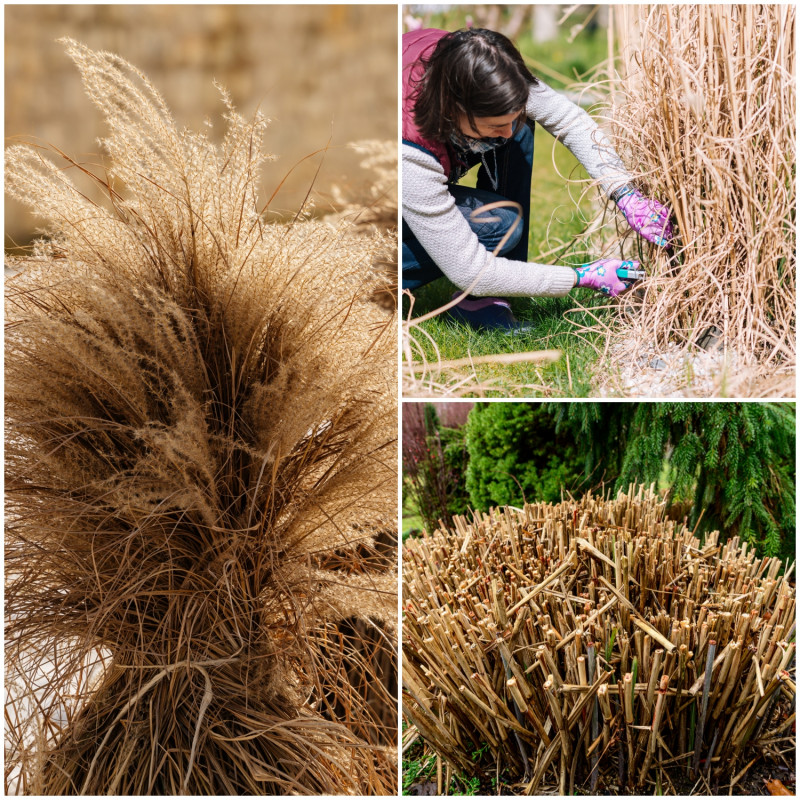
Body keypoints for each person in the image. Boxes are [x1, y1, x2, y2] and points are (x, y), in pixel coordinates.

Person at [402, 27, 673, 331]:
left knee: (518, 134)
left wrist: (625, 192)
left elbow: (570, 120)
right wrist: (580, 277)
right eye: (495, 126)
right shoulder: (411, 154)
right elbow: (470, 270)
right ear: (454, 110)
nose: (506, 133)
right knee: (499, 225)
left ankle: (487, 300)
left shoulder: (485, 67)